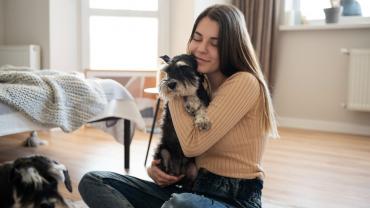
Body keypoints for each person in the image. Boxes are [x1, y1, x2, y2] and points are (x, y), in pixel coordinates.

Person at [78, 4, 278, 208]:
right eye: (197, 38)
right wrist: (156, 171)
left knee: (181, 203)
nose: (201, 48)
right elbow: (183, 150)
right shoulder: (202, 86)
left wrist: (173, 84)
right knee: (94, 181)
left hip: (233, 200)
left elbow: (192, 145)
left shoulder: (245, 82)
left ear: (231, 47)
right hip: (193, 189)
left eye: (214, 43)